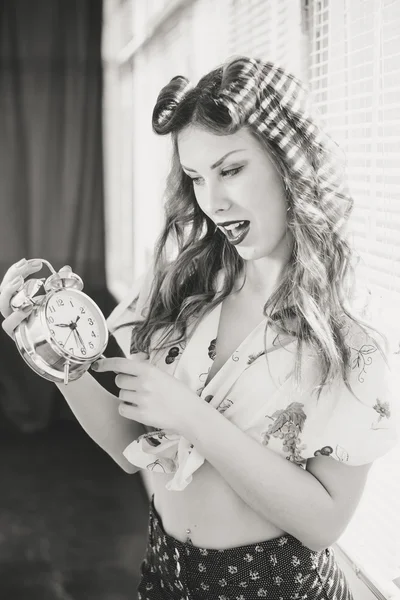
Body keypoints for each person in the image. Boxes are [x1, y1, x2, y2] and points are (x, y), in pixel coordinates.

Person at [0, 56, 398, 600]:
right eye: (195, 177)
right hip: (164, 575)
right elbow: (130, 447)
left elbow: (324, 523)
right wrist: (53, 352)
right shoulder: (180, 287)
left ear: (289, 163)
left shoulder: (347, 334)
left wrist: (192, 415)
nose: (212, 201)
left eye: (231, 170)